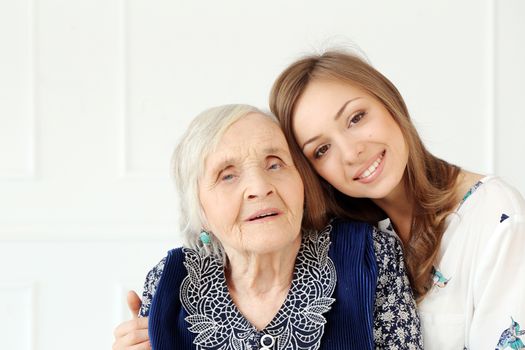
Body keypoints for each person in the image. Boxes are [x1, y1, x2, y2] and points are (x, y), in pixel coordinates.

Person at [269, 50, 525, 350]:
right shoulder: (350, 245)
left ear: (388, 100)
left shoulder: (495, 216)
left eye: (356, 118)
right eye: (322, 149)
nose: (352, 153)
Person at [112, 104, 423, 350]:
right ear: (200, 209)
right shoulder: (171, 280)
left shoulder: (368, 256)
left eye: (275, 163)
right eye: (227, 175)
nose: (260, 188)